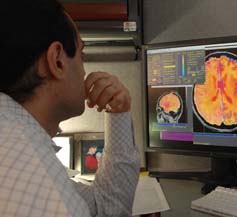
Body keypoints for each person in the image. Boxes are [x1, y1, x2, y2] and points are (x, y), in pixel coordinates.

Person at [0, 1, 140, 217]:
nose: (84, 70)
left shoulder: (16, 140)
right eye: (81, 55)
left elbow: (107, 207)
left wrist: (119, 111)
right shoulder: (40, 185)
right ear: (57, 61)